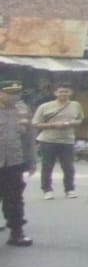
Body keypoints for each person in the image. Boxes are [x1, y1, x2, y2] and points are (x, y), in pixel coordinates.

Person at [0, 82, 36, 246]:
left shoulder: (22, 112)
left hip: (13, 163)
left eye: (17, 93)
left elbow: (29, 140)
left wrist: (31, 161)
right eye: (11, 93)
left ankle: (17, 233)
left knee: (14, 199)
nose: (15, 96)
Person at [32, 84, 83, 198]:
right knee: (47, 166)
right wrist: (52, 125)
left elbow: (79, 120)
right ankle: (47, 190)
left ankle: (69, 189)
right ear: (55, 93)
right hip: (48, 140)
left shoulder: (76, 105)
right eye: (61, 92)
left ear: (71, 92)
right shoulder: (45, 106)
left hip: (67, 140)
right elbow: (35, 123)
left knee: (68, 166)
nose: (63, 94)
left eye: (66, 91)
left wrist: (68, 123)